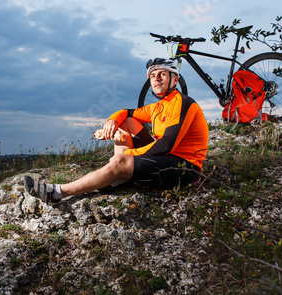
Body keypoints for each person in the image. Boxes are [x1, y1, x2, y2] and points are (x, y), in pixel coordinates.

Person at [24, 58, 209, 203]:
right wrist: (112, 120)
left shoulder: (183, 102)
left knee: (121, 159)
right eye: (153, 76)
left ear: (174, 79)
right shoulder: (158, 107)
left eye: (162, 74)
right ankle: (120, 175)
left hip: (184, 168)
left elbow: (167, 144)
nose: (157, 79)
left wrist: (129, 155)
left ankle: (57, 193)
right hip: (166, 159)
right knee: (126, 122)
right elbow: (127, 112)